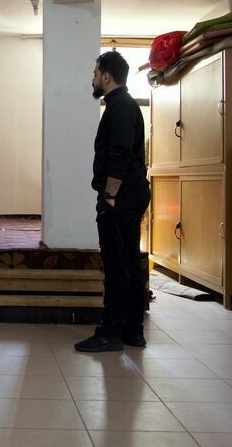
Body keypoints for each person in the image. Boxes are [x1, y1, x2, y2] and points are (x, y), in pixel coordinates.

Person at [75, 51, 151, 353]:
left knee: (117, 267)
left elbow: (119, 154)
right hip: (132, 194)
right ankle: (133, 330)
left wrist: (109, 196)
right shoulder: (125, 105)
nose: (93, 78)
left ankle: (110, 333)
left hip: (121, 197)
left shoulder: (119, 108)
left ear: (107, 76)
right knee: (129, 263)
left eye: (95, 73)